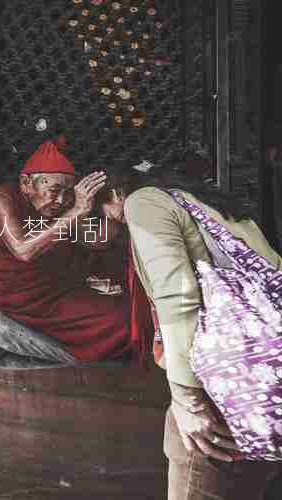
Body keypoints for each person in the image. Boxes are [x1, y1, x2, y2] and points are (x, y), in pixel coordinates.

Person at [96, 164, 282, 499]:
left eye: (103, 213)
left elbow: (177, 298)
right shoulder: (218, 208)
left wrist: (188, 399)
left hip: (223, 388)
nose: (110, 222)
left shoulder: (142, 202)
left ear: (113, 195)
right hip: (268, 388)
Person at [0, 138, 134, 363]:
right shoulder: (0, 200)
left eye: (67, 193)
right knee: (120, 319)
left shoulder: (56, 204)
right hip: (15, 300)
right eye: (54, 190)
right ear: (26, 182)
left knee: (127, 308)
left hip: (50, 289)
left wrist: (112, 213)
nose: (61, 200)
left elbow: (96, 241)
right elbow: (24, 250)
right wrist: (74, 213)